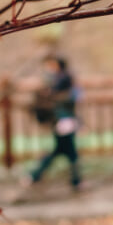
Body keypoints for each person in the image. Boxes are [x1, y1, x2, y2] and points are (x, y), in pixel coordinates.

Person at [26, 55, 82, 191]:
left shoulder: (61, 80)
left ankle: (35, 176)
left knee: (64, 151)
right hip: (63, 121)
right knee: (66, 151)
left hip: (64, 121)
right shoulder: (60, 81)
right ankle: (75, 181)